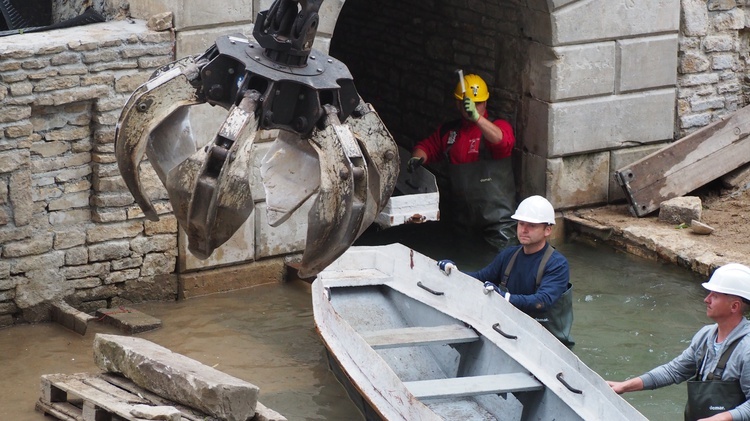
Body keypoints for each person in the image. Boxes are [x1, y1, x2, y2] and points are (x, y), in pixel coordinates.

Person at [607, 263, 750, 421]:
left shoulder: (746, 349)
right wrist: (624, 386)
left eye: (714, 296)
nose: (706, 299)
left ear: (734, 306)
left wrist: (721, 418)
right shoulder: (705, 336)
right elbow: (673, 371)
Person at [437, 195, 574, 347]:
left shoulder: (557, 264)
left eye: (532, 225)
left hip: (547, 342)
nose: (524, 230)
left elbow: (542, 302)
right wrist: (454, 273)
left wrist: (504, 297)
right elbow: (480, 278)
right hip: (512, 332)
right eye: (521, 224)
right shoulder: (509, 255)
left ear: (547, 230)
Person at [408, 73, 517, 249]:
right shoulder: (450, 132)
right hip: (462, 223)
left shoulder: (498, 126)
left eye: (479, 104)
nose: (474, 108)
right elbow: (427, 147)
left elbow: (503, 142)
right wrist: (417, 158)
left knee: (502, 264)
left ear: (486, 102)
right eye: (469, 104)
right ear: (458, 104)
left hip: (498, 226)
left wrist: (477, 118)